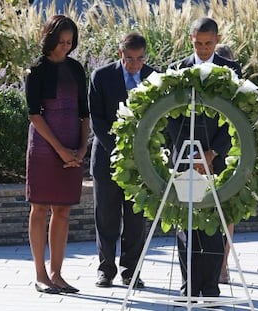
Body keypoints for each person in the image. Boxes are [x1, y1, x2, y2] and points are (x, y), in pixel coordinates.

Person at [167, 17, 242, 298]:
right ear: (191, 39)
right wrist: (190, 154)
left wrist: (212, 152)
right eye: (198, 43)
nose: (203, 49)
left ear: (217, 40)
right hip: (185, 156)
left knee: (211, 223)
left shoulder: (231, 71)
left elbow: (236, 117)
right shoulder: (176, 70)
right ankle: (188, 285)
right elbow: (169, 117)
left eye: (208, 43)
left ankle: (210, 287)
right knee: (185, 223)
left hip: (216, 158)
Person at [25, 14, 89, 294]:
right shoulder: (36, 70)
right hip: (43, 146)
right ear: (50, 38)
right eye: (61, 41)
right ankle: (40, 274)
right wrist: (61, 150)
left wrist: (83, 147)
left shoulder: (76, 69)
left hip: (73, 145)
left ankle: (57, 274)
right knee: (40, 207)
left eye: (70, 42)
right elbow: (34, 115)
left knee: (62, 210)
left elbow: (84, 113)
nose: (66, 47)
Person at [89, 32, 157, 288]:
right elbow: (97, 120)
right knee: (106, 217)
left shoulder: (155, 77)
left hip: (143, 162)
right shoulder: (102, 76)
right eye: (130, 59)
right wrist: (121, 150)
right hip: (107, 158)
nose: (135, 64)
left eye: (140, 59)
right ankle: (106, 269)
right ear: (121, 54)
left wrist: (143, 153)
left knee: (135, 220)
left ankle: (131, 271)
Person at [214, 43, 236, 285]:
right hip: (203, 154)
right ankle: (221, 267)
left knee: (227, 212)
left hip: (227, 155)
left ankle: (222, 266)